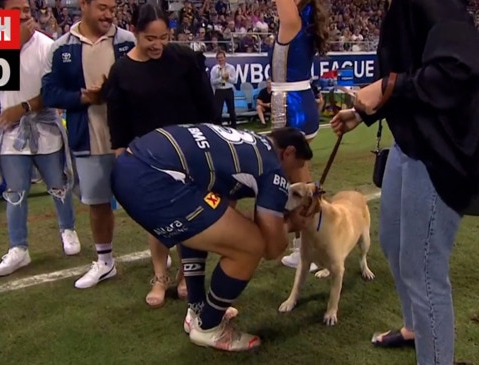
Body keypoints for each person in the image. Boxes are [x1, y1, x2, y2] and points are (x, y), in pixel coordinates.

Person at [330, 0, 479, 364]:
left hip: (444, 149)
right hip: (412, 141)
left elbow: (463, 67)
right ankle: (415, 328)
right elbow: (413, 74)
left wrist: (387, 86)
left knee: (423, 267)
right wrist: (363, 112)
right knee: (392, 243)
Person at [111, 123, 312, 351]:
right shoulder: (272, 169)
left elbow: (222, 214)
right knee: (250, 245)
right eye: (297, 167)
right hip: (155, 180)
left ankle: (197, 308)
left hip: (133, 163)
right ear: (288, 152)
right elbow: (273, 248)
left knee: (205, 219)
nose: (292, 174)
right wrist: (290, 224)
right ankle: (209, 327)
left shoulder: (247, 142)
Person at [103, 4, 215, 308]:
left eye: (164, 37)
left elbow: (207, 104)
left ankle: (184, 275)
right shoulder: (122, 70)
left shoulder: (185, 59)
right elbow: (117, 119)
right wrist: (120, 155)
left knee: (190, 216)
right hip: (147, 156)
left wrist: (213, 142)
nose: (158, 45)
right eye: (150, 38)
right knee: (157, 218)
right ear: (135, 32)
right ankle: (159, 276)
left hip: (190, 150)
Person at [0, 0, 80, 277]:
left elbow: (54, 91)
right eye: (16, 10)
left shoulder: (48, 45)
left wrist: (22, 109)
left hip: (45, 126)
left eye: (26, 9)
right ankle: (18, 249)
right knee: (15, 193)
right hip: (11, 132)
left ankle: (68, 230)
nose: (24, 15)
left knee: (58, 185)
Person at [41, 0, 135, 289]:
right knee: (97, 201)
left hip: (132, 137)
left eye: (113, 8)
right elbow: (49, 93)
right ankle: (105, 261)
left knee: (146, 193)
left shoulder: (128, 41)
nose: (109, 14)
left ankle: (159, 251)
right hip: (88, 135)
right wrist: (84, 97)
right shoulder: (61, 47)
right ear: (84, 4)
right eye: (103, 7)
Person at [270, 0, 329, 271]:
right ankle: (311, 245)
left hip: (292, 107)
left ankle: (307, 248)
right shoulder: (303, 20)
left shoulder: (293, 21)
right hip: (298, 102)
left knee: (298, 184)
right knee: (302, 181)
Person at [210, 51, 237, 127]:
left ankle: (234, 127)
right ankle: (218, 127)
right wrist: (221, 78)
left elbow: (234, 80)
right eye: (218, 58)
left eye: (221, 57)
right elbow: (212, 82)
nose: (220, 59)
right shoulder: (214, 69)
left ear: (225, 58)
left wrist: (227, 78)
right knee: (218, 112)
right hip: (219, 91)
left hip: (228, 90)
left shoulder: (231, 68)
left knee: (231, 110)